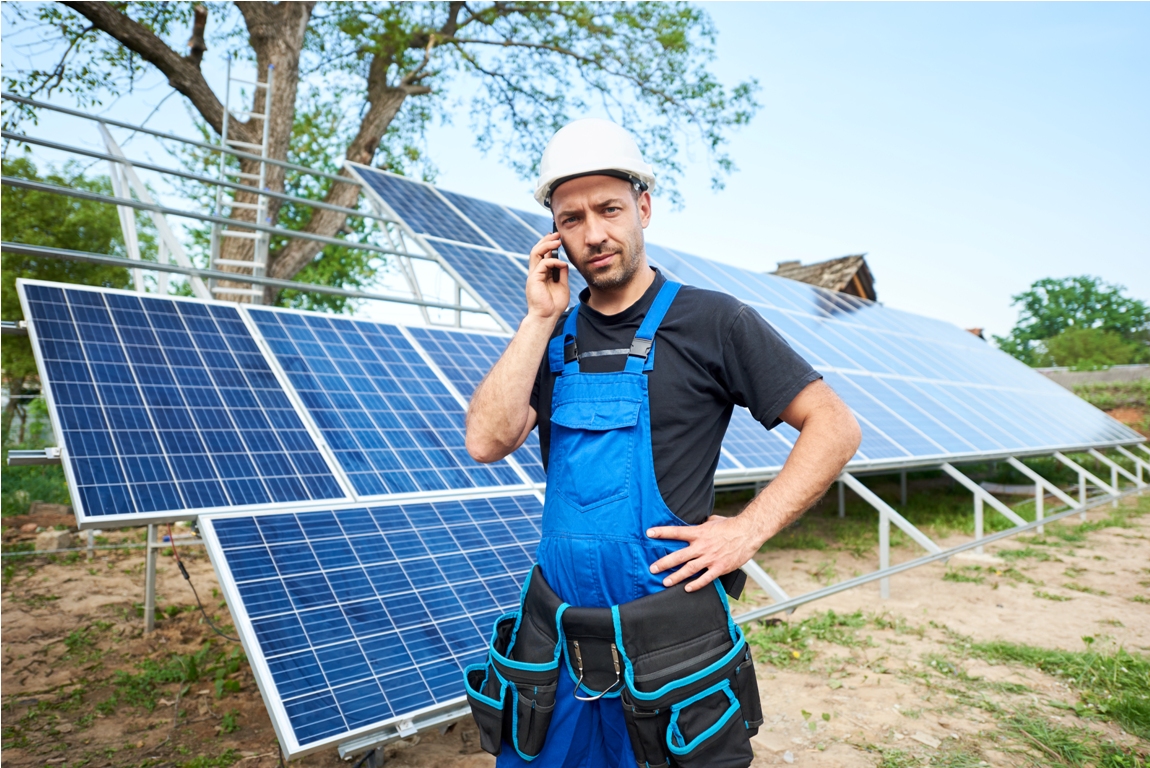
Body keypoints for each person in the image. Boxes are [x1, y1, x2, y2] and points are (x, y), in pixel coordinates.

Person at [464, 118, 861, 768]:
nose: (594, 232)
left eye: (609, 209)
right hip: (554, 651)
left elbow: (835, 425)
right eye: (571, 218)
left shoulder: (713, 321)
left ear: (643, 206)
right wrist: (538, 317)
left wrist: (747, 531)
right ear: (554, 234)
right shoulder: (551, 335)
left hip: (669, 659)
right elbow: (487, 439)